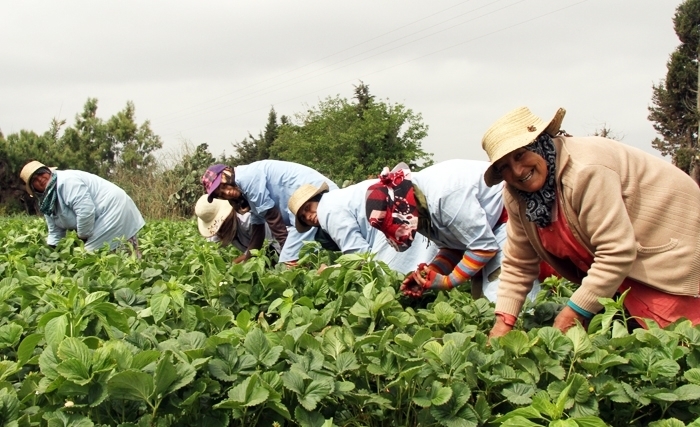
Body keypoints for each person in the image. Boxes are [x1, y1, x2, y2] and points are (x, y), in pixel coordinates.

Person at [481, 106, 700, 338]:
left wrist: (572, 313)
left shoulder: (585, 171)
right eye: (504, 166)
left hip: (668, 244)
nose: (517, 170)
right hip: (622, 268)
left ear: (541, 144)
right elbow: (518, 263)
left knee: (678, 336)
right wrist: (503, 322)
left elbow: (616, 252)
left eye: (520, 155)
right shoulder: (517, 195)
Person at [364, 160, 540, 302]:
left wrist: (447, 282)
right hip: (487, 231)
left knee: (503, 293)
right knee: (482, 301)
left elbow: (483, 247)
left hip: (509, 214)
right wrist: (430, 274)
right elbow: (453, 247)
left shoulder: (445, 196)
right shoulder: (419, 206)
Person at [287, 179, 438, 274]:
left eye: (308, 208)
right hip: (407, 211)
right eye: (303, 217)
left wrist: (328, 271)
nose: (308, 216)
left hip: (395, 224)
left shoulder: (328, 211)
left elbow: (360, 257)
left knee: (391, 280)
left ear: (317, 199)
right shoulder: (336, 199)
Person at [201, 160, 338, 264]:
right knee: (330, 244)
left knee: (288, 264)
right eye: (222, 194)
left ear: (227, 174)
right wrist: (247, 259)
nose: (227, 193)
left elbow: (273, 218)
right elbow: (258, 230)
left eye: (224, 186)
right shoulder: (244, 194)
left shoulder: (246, 178)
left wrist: (287, 253)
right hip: (301, 209)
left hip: (311, 198)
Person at [19, 160, 145, 255]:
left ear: (48, 172)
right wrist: (52, 253)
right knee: (98, 256)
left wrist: (82, 236)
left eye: (41, 174)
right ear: (33, 187)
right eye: (35, 180)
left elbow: (85, 211)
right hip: (98, 218)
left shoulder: (67, 182)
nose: (40, 179)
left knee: (93, 255)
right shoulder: (46, 202)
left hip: (112, 208)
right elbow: (55, 231)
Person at [194, 194, 280, 262]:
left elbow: (266, 247)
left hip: (278, 250)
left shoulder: (247, 218)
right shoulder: (217, 230)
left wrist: (237, 262)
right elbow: (212, 248)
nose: (220, 231)